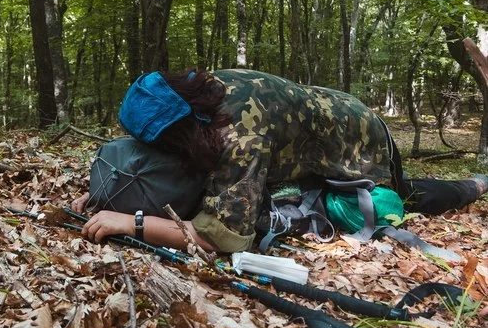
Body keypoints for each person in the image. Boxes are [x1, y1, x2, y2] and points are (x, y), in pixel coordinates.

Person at [71, 69, 488, 253]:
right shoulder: (196, 96)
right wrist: (108, 196)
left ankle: (475, 185)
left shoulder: (238, 133)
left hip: (358, 137)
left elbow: (223, 238)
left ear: (182, 132)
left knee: (401, 198)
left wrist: (133, 223)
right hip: (320, 123)